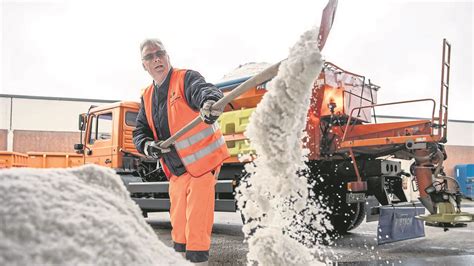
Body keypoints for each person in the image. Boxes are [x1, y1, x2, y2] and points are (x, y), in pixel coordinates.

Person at [133, 39, 229, 264]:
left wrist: (209, 103)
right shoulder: (147, 96)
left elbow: (203, 90)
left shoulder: (185, 79)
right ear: (144, 65)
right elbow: (140, 132)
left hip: (202, 165)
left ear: (167, 57)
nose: (156, 58)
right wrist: (148, 145)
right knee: (179, 227)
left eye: (160, 53)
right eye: (150, 56)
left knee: (197, 223)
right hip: (175, 170)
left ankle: (197, 262)